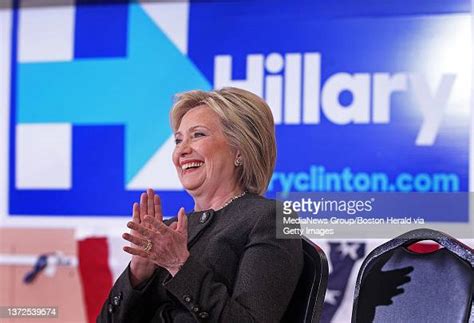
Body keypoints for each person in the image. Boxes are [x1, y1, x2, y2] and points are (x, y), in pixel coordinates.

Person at [98, 87, 303, 322]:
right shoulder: (167, 232)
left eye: (198, 135)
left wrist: (180, 265)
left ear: (240, 149)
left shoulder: (271, 218)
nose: (182, 151)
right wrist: (138, 274)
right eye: (178, 140)